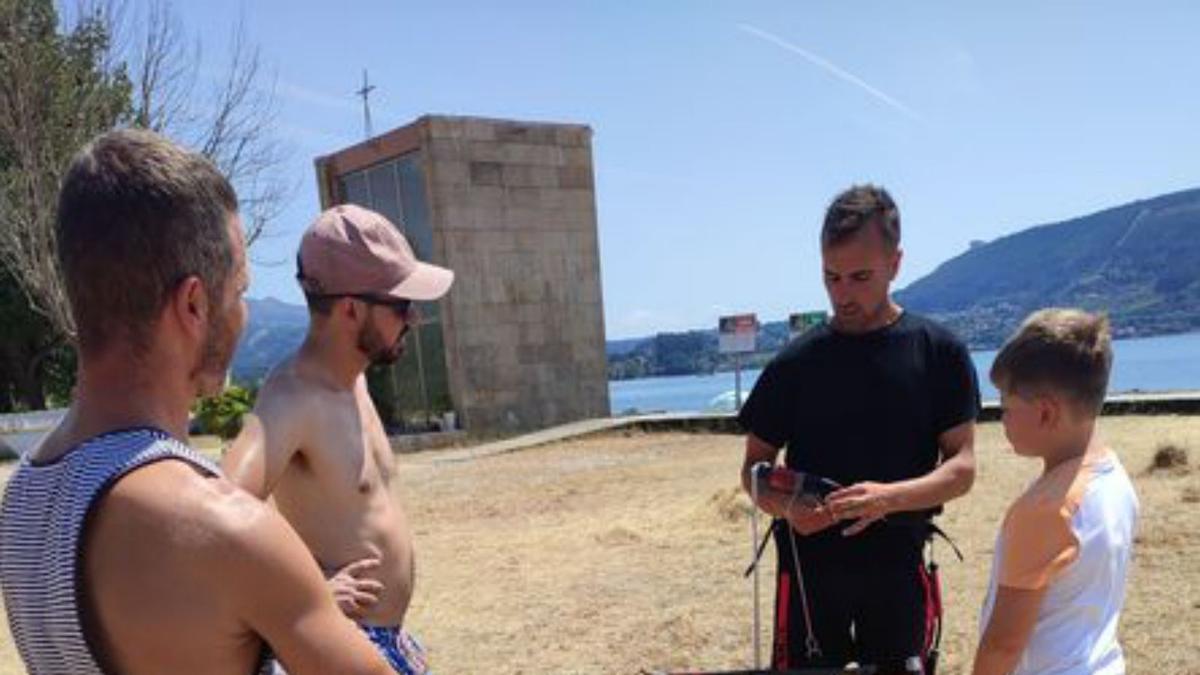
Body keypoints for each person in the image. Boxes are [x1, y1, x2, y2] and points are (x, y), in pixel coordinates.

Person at [0, 130, 389, 674]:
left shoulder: (22, 501)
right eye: (239, 291)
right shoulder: (219, 527)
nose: (245, 311)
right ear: (193, 304)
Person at [738, 185, 979, 673]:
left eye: (860, 277)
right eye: (831, 277)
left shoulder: (939, 353)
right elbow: (753, 469)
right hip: (808, 574)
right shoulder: (795, 363)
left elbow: (963, 467)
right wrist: (784, 504)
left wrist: (888, 498)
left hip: (898, 568)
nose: (842, 293)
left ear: (896, 263)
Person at [222, 204, 454, 675]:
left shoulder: (356, 382)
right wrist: (305, 594)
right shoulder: (293, 398)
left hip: (386, 639)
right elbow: (219, 513)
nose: (413, 317)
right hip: (346, 645)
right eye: (400, 304)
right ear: (350, 308)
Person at [972, 309, 1138, 675]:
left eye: (1007, 407)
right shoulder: (1113, 476)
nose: (1003, 419)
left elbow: (1003, 645)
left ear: (1046, 413)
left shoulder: (1046, 509)